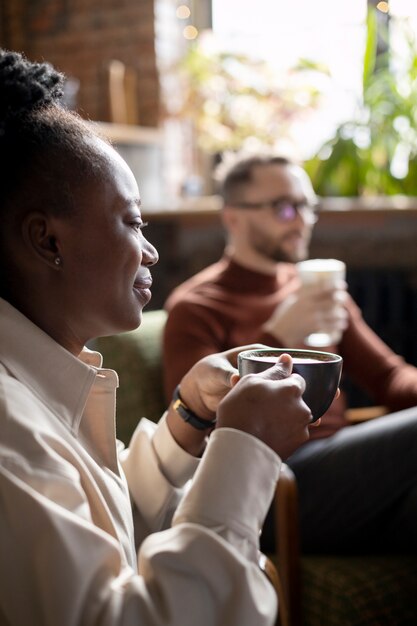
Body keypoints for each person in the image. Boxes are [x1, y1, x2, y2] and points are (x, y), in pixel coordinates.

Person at [0, 51, 314, 626]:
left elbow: (105, 529)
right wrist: (243, 448)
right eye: (133, 221)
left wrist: (188, 420)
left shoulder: (37, 385)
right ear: (48, 242)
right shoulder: (6, 422)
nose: (152, 251)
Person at [163, 154, 417, 555]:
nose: (301, 220)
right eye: (283, 207)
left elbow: (390, 379)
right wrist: (279, 334)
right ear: (233, 217)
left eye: (307, 206)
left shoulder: (315, 289)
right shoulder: (196, 306)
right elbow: (194, 432)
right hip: (272, 483)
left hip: (347, 467)